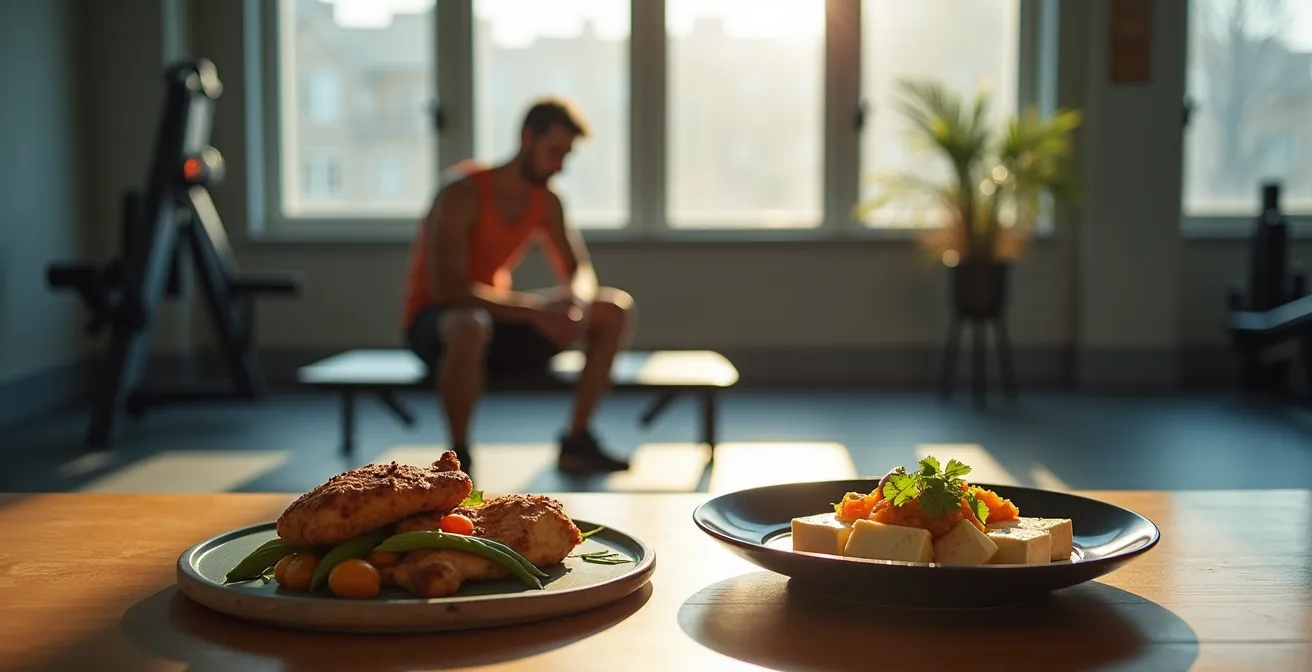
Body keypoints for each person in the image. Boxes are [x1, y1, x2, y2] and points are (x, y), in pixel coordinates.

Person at [401, 98, 634, 476]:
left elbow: (578, 269)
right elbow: (448, 289)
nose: (560, 165)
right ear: (528, 138)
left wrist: (574, 302)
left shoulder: (547, 200)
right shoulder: (462, 192)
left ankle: (577, 440)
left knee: (613, 309)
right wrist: (537, 310)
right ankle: (458, 459)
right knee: (470, 324)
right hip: (438, 323)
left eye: (566, 155)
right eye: (554, 152)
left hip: (497, 322)